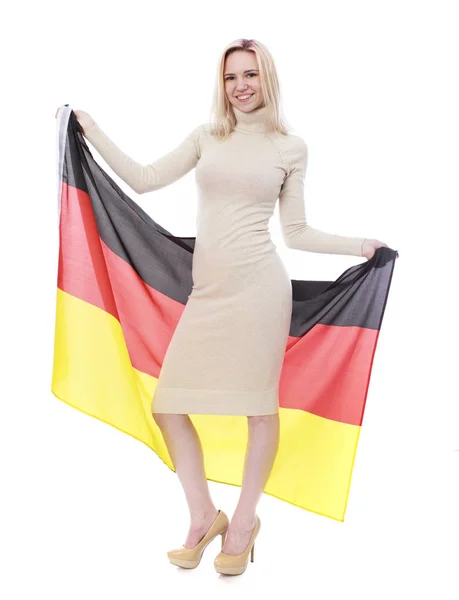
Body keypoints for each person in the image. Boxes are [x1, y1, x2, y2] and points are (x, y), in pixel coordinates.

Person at [56, 38, 389, 576]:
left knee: (260, 409)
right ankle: (202, 514)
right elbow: (144, 178)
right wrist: (90, 129)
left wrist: (359, 247)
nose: (241, 86)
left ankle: (243, 523)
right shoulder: (207, 137)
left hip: (260, 292)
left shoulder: (290, 147)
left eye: (251, 75)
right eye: (232, 77)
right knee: (169, 405)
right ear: (223, 84)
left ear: (267, 79)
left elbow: (296, 231)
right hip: (209, 295)